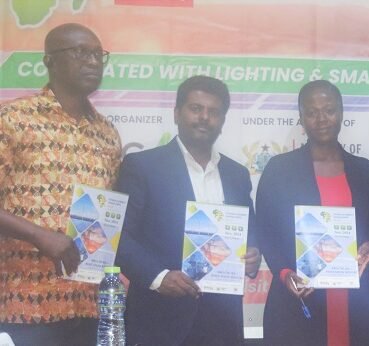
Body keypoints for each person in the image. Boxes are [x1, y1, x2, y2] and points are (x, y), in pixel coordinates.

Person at [114, 76, 260, 345]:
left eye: (214, 112)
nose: (205, 117)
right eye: (196, 108)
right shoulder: (143, 167)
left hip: (223, 324)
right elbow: (119, 237)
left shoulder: (237, 174)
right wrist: (159, 277)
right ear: (177, 113)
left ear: (222, 121)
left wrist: (253, 254)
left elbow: (249, 231)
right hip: (159, 320)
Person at [0, 23, 121, 345]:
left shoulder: (107, 133)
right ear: (49, 60)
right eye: (81, 52)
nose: (93, 62)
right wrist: (38, 234)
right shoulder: (13, 119)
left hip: (90, 304)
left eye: (99, 55)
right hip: (26, 304)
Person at [255, 80, 369, 345]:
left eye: (329, 110)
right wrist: (284, 273)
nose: (321, 119)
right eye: (312, 112)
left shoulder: (365, 171)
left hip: (357, 300)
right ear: (301, 118)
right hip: (300, 297)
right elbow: (265, 232)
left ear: (341, 113)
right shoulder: (279, 170)